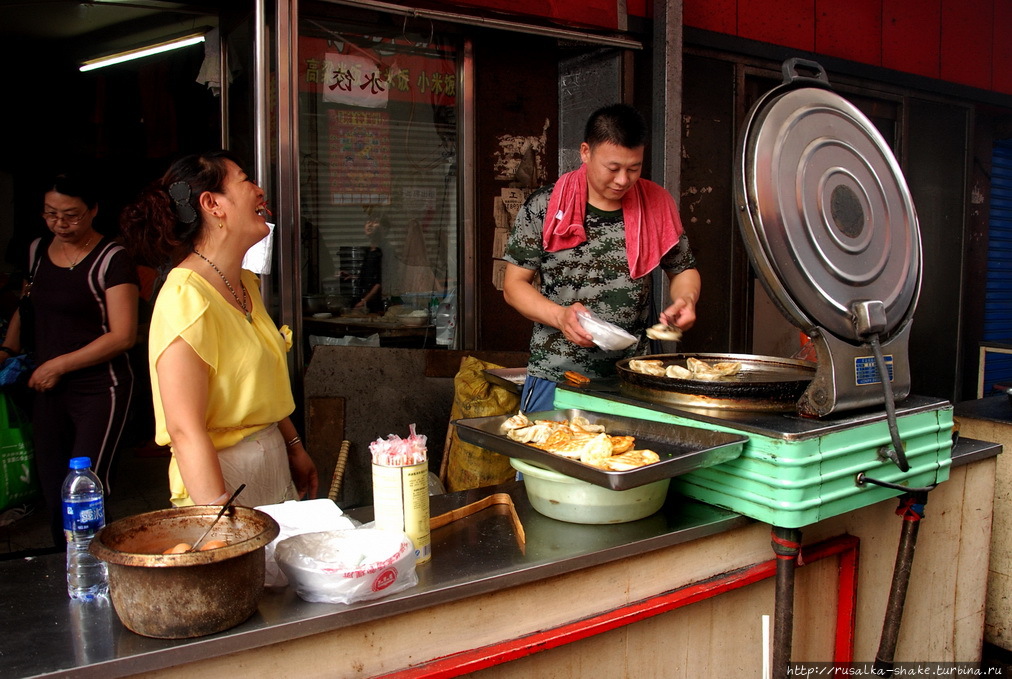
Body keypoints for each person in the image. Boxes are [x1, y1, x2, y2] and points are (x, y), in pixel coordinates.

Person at [120, 151, 318, 507]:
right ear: (212, 204)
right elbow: (184, 430)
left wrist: (293, 447)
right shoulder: (185, 295)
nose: (260, 192)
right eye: (245, 181)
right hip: (220, 477)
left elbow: (259, 386)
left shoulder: (244, 282)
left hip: (272, 465)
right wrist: (219, 518)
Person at [502, 103, 701, 412]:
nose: (623, 179)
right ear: (585, 152)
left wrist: (686, 300)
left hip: (633, 375)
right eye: (613, 168)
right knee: (545, 457)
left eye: (634, 168)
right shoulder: (544, 205)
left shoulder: (656, 204)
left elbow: (683, 270)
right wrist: (560, 317)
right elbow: (514, 286)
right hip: (557, 373)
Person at [1, 172, 139, 545]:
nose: (60, 224)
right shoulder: (35, 251)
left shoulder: (112, 259)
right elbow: (26, 308)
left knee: (85, 490)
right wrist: (7, 351)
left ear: (93, 210)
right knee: (52, 490)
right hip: (47, 389)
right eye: (50, 214)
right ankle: (64, 571)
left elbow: (123, 335)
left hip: (100, 390)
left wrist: (59, 365)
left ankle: (100, 571)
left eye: (71, 215)